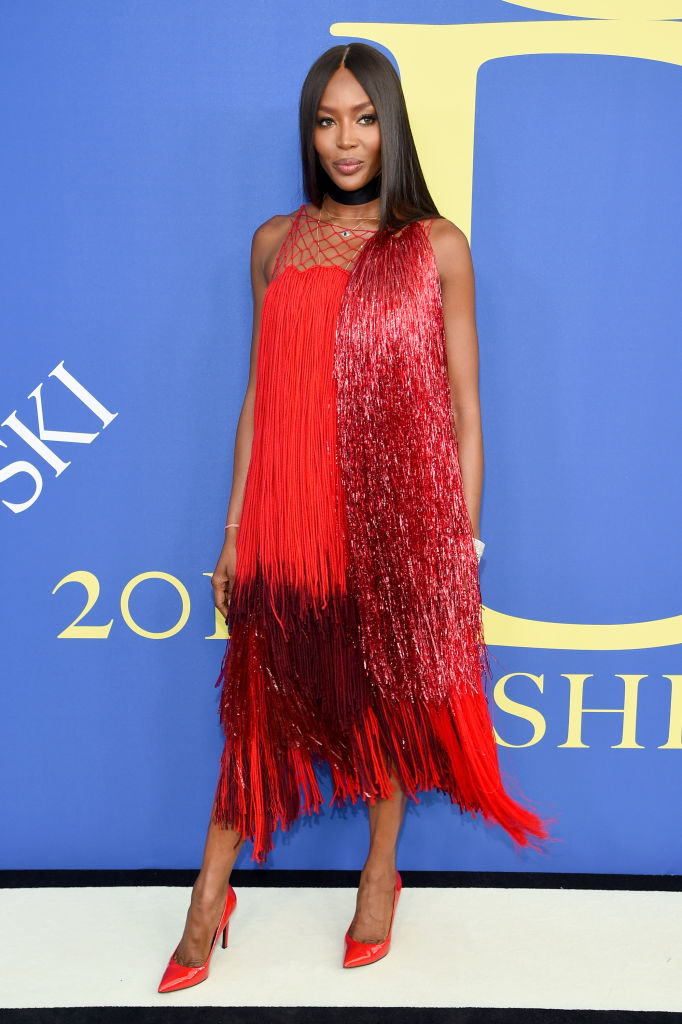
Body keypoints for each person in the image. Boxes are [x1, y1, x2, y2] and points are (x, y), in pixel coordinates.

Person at [158, 41, 548, 993]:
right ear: (309, 131)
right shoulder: (274, 244)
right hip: (289, 524)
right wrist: (234, 532)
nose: (346, 140)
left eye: (364, 119)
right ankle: (209, 896)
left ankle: (380, 873)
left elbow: (464, 410)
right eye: (328, 121)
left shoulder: (434, 247)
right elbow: (261, 396)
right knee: (258, 709)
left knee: (389, 703)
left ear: (391, 126)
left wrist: (459, 548)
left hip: (396, 526)